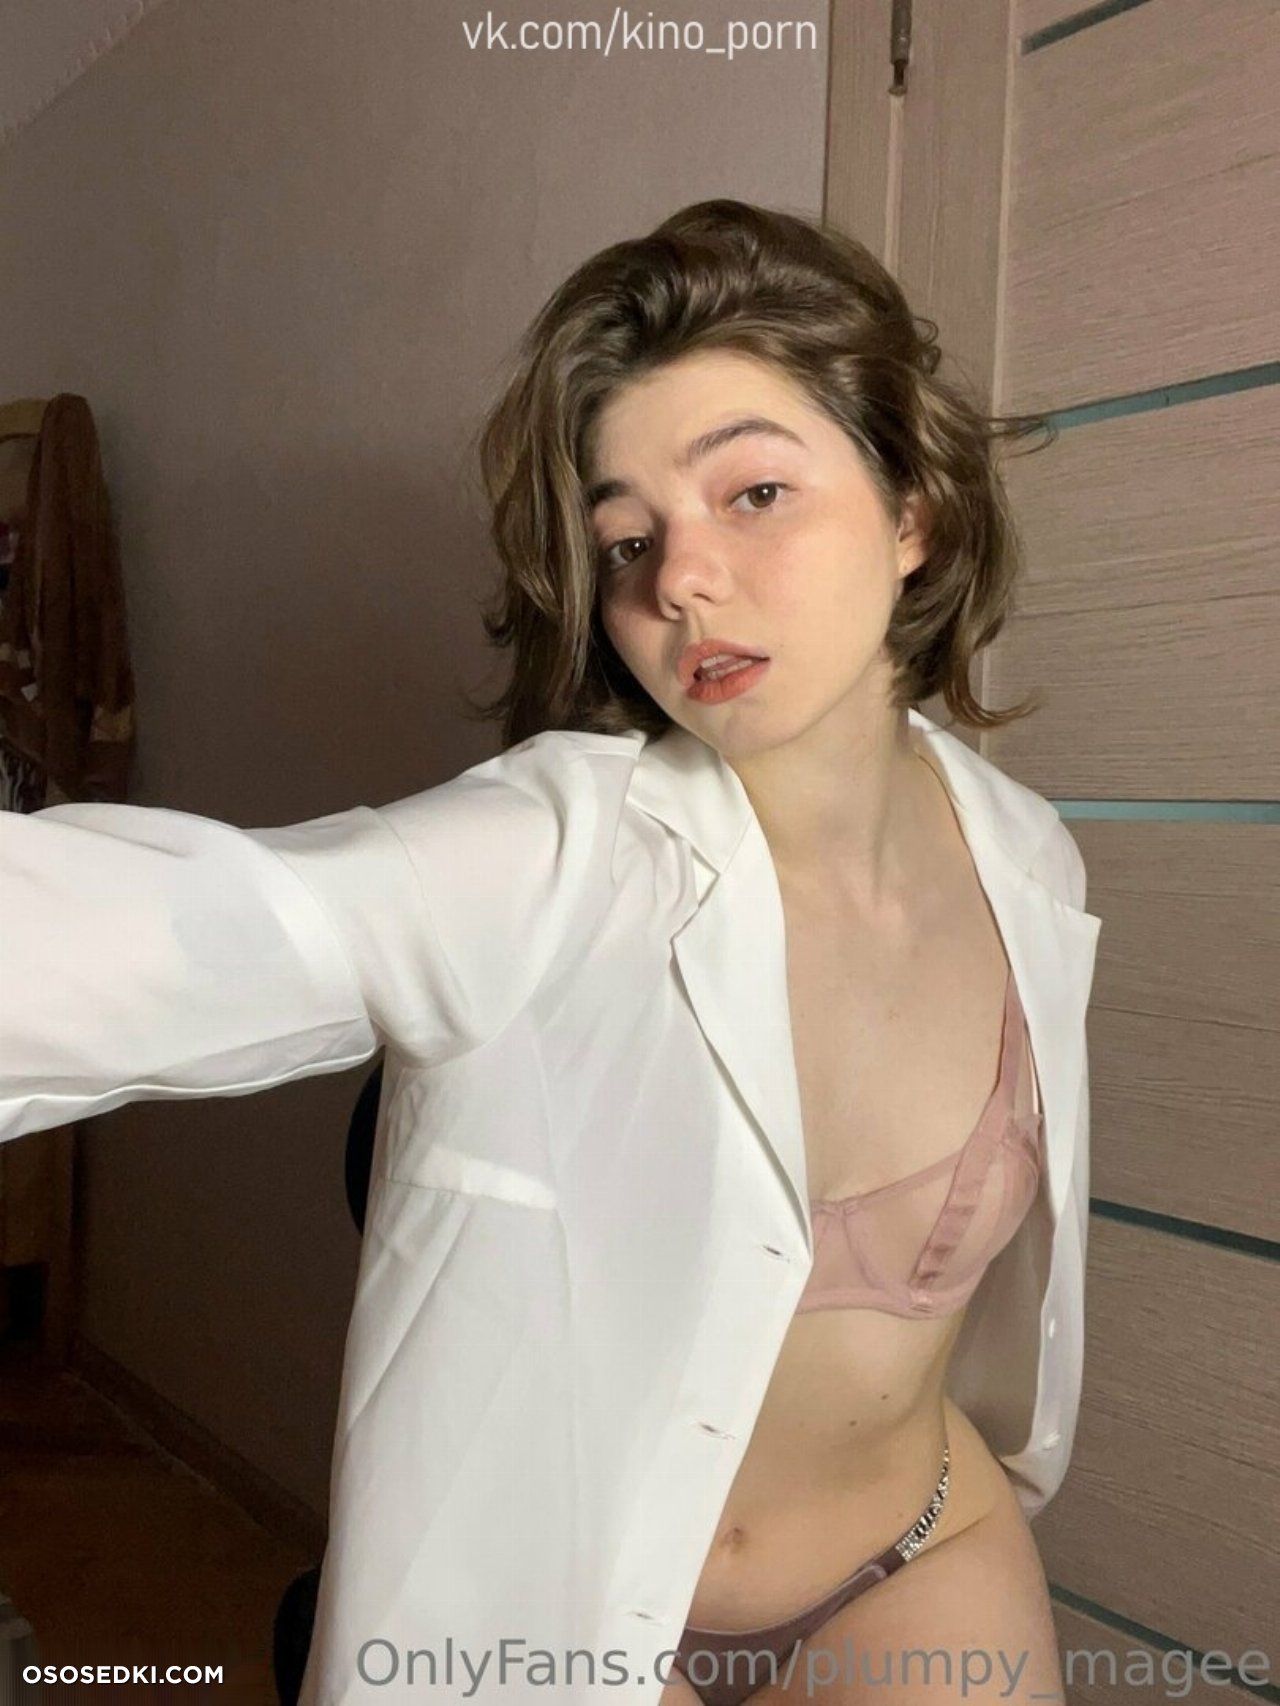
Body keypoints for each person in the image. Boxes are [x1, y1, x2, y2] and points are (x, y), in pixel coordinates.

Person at [0, 200, 1101, 1705]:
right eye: (628, 539)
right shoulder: (552, 854)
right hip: (565, 1621)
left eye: (754, 492)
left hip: (919, 1560)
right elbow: (165, 935)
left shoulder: (1026, 857)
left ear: (914, 512)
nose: (681, 579)